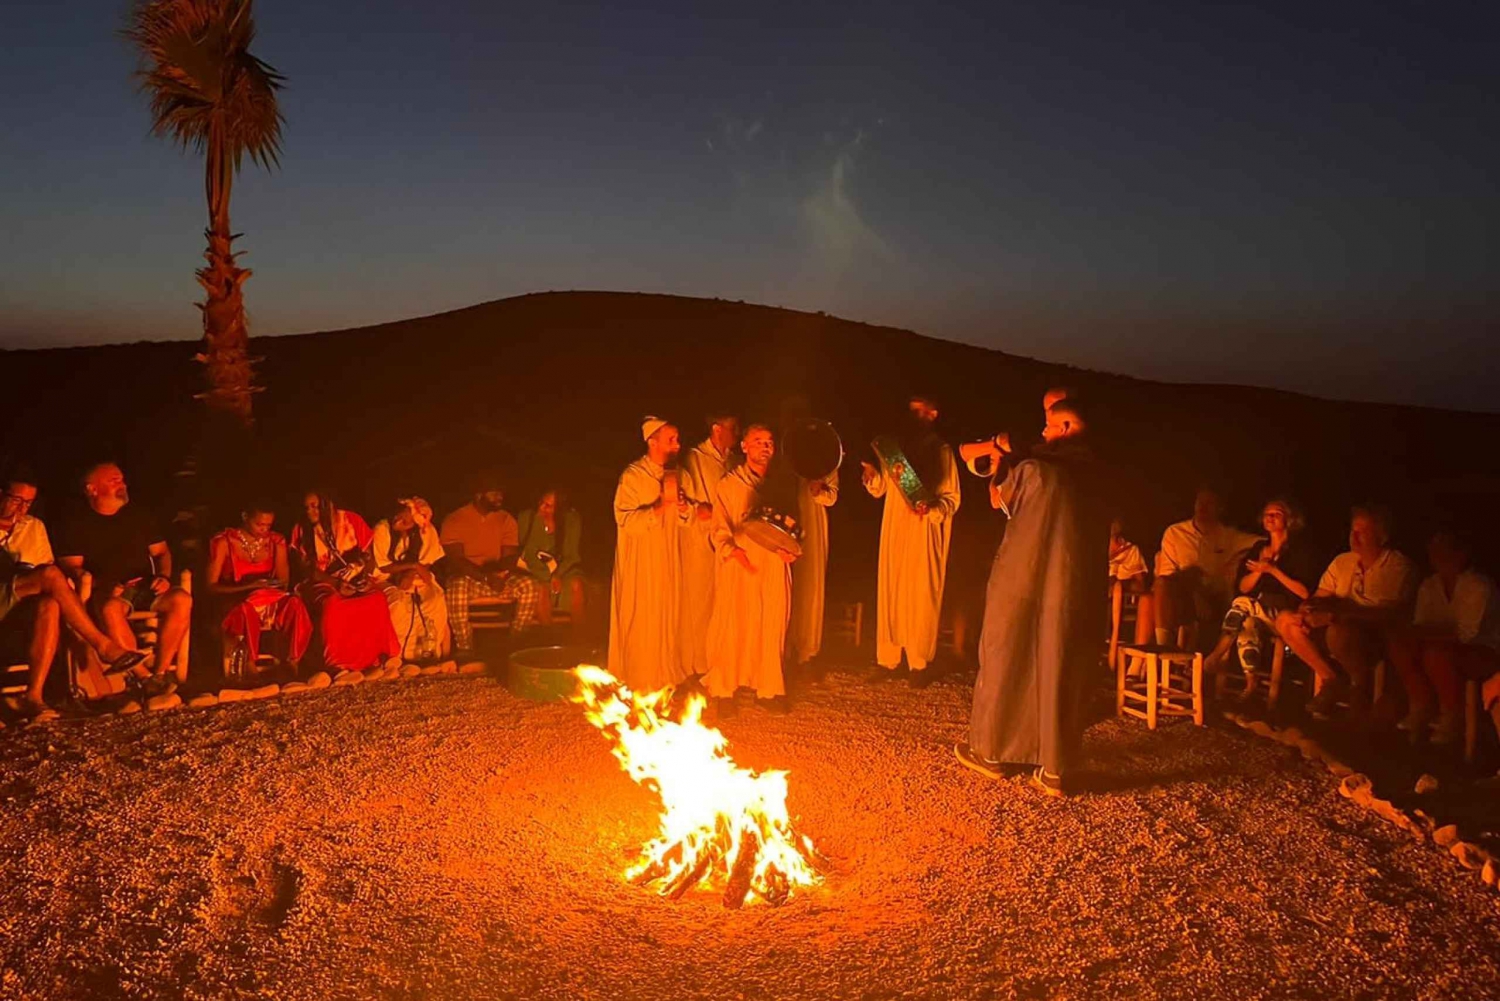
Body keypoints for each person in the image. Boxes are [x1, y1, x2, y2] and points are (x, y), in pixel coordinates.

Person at [957, 397, 1106, 797]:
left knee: (1005, 654)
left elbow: (998, 498)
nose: (1042, 432)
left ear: (1066, 427)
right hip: (1074, 585)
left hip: (1024, 579)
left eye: (1049, 425)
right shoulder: (1100, 474)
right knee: (1061, 665)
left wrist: (1002, 462)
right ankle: (1055, 768)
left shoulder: (1036, 469)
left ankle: (990, 753)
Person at [0, 471, 147, 719]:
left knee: (50, 604)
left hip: (21, 602)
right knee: (50, 576)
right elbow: (48, 574)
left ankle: (33, 696)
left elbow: (45, 567)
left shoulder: (33, 527)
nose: (22, 507)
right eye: (16, 500)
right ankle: (102, 645)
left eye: (28, 502)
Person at [56, 463, 192, 690]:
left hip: (145, 586)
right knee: (110, 608)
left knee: (182, 599)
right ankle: (143, 677)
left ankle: (159, 675)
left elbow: (162, 552)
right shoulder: (74, 523)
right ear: (92, 489)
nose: (123, 484)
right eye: (114, 481)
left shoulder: (139, 515)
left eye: (122, 479)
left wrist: (164, 577)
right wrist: (104, 584)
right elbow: (72, 568)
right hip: (108, 591)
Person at [860, 394, 961, 686]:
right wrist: (871, 475)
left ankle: (919, 663)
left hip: (923, 531)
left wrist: (932, 509)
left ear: (933, 415)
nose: (914, 417)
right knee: (891, 589)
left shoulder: (940, 450)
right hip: (895, 529)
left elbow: (951, 498)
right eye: (911, 412)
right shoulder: (895, 449)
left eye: (920, 412)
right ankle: (888, 660)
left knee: (920, 592)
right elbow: (881, 488)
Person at [1280, 505, 1418, 719]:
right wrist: (1308, 608)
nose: (1354, 536)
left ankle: (1359, 688)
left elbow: (1386, 615)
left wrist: (1337, 613)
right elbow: (1320, 596)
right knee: (1286, 621)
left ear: (1382, 536)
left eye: (1362, 531)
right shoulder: (1342, 562)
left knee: (1340, 632)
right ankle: (1331, 679)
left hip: (1373, 637)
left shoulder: (1397, 566)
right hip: (1333, 625)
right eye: (1353, 530)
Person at [703, 425, 797, 715]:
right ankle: (724, 691)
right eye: (758, 441)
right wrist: (732, 551)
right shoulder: (729, 485)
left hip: (773, 563)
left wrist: (790, 549)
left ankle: (767, 690)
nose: (765, 447)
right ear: (744, 446)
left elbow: (792, 525)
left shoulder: (781, 484)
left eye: (769, 442)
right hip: (741, 563)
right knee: (734, 625)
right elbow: (719, 527)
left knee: (771, 624)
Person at [1389, 530, 1499, 743]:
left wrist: (1425, 634)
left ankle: (1452, 714)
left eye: (1444, 551)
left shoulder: (1478, 586)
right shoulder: (1430, 586)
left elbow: (1466, 634)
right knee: (1401, 647)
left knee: (1436, 655)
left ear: (1461, 554)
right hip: (1439, 646)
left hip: (1483, 651)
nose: (1438, 557)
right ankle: (1421, 705)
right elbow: (1421, 625)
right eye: (1434, 551)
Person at [1202, 499, 1320, 695]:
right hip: (1257, 609)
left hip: (1283, 615)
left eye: (1276, 514)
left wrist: (1273, 570)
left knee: (1242, 605)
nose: (1270, 518)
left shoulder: (1299, 551)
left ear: (1289, 519)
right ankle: (1251, 683)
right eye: (1267, 514)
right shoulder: (1259, 548)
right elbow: (1243, 587)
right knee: (1247, 621)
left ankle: (1216, 655)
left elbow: (1304, 592)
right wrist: (1259, 571)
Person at [608, 416, 691, 692]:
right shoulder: (632, 476)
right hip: (640, 564)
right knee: (642, 619)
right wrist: (660, 506)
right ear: (652, 442)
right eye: (671, 440)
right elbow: (625, 520)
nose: (677, 445)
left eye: (678, 439)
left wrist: (683, 508)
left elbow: (688, 519)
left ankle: (665, 682)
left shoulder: (679, 475)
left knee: (667, 618)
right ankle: (638, 681)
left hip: (668, 560)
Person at [289, 490, 400, 673]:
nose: (309, 511)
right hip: (321, 582)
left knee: (376, 598)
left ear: (329, 504)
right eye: (306, 507)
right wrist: (336, 584)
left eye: (314, 506)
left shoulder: (352, 520)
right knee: (333, 604)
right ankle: (338, 664)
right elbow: (308, 570)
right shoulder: (301, 529)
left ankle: (378, 657)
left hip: (352, 577)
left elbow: (368, 557)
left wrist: (364, 578)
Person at [440, 472, 543, 659]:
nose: (499, 497)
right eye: (494, 493)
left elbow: (509, 555)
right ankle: (465, 647)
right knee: (456, 587)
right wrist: (485, 577)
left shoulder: (505, 519)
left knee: (529, 585)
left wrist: (502, 574)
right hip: (470, 578)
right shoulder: (455, 519)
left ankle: (516, 643)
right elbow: (457, 560)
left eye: (500, 493)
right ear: (479, 495)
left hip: (497, 577)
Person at [208, 502, 312, 679]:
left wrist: (267, 588)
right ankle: (249, 666)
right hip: (236, 601)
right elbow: (211, 586)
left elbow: (283, 582)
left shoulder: (276, 541)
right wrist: (249, 587)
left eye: (268, 526)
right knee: (245, 610)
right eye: (259, 524)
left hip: (266, 599)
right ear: (245, 517)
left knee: (295, 604)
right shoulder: (224, 541)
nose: (264, 530)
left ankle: (292, 663)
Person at [1151, 488, 1262, 650]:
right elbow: (1168, 574)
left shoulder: (1229, 537)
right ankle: (1158, 652)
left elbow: (1261, 541)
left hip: (1214, 599)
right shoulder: (1175, 533)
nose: (1203, 507)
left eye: (1209, 503)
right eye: (1200, 502)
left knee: (1156, 595)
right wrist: (1194, 593)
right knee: (1153, 594)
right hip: (1183, 594)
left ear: (1219, 508)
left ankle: (1160, 654)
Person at [678, 414, 740, 675]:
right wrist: (700, 511)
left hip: (728, 538)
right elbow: (685, 502)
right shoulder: (695, 459)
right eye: (732, 428)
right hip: (700, 541)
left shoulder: (733, 462)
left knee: (724, 603)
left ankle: (719, 662)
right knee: (699, 604)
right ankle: (694, 666)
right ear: (716, 429)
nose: (736, 433)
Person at [371, 497, 451, 663]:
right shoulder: (382, 529)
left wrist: (411, 573)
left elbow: (427, 561)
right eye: (398, 516)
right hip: (386, 578)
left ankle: (430, 654)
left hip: (417, 575)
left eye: (405, 521)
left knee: (434, 599)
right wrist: (412, 566)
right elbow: (383, 566)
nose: (398, 521)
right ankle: (398, 655)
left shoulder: (426, 530)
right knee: (399, 605)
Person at [789, 459, 839, 667]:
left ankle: (806, 651)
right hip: (787, 518)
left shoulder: (827, 461)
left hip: (811, 523)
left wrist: (818, 491)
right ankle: (784, 648)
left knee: (810, 583)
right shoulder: (787, 456)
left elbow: (831, 497)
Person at [515, 488, 586, 627]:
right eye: (541, 502)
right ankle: (548, 632)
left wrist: (557, 574)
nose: (542, 507)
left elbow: (571, 554)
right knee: (541, 589)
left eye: (548, 506)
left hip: (562, 569)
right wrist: (549, 576)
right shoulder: (528, 518)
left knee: (576, 585)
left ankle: (579, 632)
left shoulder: (571, 520)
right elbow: (529, 553)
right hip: (534, 569)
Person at [1108, 518, 1155, 647]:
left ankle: (1116, 637)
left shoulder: (1131, 550)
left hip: (1123, 593)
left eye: (1115, 536)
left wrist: (1122, 585)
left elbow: (1140, 584)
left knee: (1118, 588)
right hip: (1104, 593)